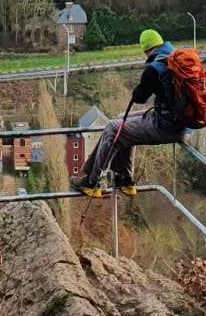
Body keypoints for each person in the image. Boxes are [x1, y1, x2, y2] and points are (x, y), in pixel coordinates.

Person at [70, 29, 186, 197]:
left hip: (166, 127)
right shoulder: (175, 57)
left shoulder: (155, 68)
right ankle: (125, 179)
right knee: (121, 120)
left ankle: (91, 183)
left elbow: (140, 97)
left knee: (113, 127)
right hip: (180, 122)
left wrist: (139, 89)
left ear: (146, 49)